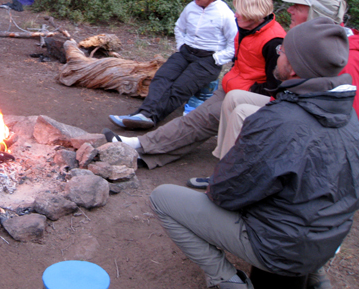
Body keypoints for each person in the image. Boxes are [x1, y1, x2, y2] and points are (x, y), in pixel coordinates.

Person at [149, 18, 359, 289]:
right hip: (329, 240)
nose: (278, 55)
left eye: (283, 51)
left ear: (294, 68)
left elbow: (226, 192)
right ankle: (316, 276)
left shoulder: (279, 120)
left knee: (163, 198)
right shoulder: (349, 117)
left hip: (281, 248)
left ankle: (227, 280)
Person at [103, 0, 286, 169]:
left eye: (240, 11)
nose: (236, 14)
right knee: (192, 122)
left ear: (254, 13)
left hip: (243, 96)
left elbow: (275, 85)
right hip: (230, 88)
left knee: (196, 122)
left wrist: (239, 87)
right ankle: (146, 153)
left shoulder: (273, 41)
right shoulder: (248, 28)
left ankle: (140, 144)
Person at [211, 0, 358, 162]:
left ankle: (235, 173)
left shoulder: (341, 55)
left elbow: (346, 114)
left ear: (315, 15)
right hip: (295, 104)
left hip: (314, 123)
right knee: (234, 97)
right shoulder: (313, 41)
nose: (289, 10)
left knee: (242, 112)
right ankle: (223, 164)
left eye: (298, 7)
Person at [108, 0, 237, 130]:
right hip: (186, 52)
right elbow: (179, 27)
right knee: (162, 77)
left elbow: (234, 43)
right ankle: (144, 114)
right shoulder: (191, 7)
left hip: (208, 60)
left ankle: (148, 118)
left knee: (179, 88)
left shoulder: (224, 14)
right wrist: (181, 45)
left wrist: (216, 59)